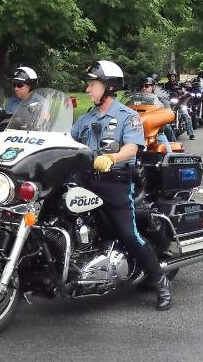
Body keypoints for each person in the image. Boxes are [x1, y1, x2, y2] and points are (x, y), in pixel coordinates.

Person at [71, 60, 172, 311]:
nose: (88, 90)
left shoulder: (128, 117)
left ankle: (159, 280)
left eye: (92, 85)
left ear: (108, 87)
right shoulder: (86, 119)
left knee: (129, 233)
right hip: (85, 180)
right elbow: (69, 141)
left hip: (116, 182)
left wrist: (112, 158)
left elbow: (133, 147)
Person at [140, 76, 174, 152]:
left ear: (153, 87)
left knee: (169, 154)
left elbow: (169, 113)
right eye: (142, 86)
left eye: (147, 86)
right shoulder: (135, 101)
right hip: (138, 133)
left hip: (156, 133)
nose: (144, 88)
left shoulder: (161, 100)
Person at [163, 70, 196, 140]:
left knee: (187, 116)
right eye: (170, 76)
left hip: (180, 103)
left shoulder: (179, 84)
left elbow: (186, 90)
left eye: (173, 76)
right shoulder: (165, 85)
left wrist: (187, 86)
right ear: (168, 77)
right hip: (169, 104)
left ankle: (191, 134)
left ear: (175, 77)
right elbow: (161, 92)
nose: (172, 77)